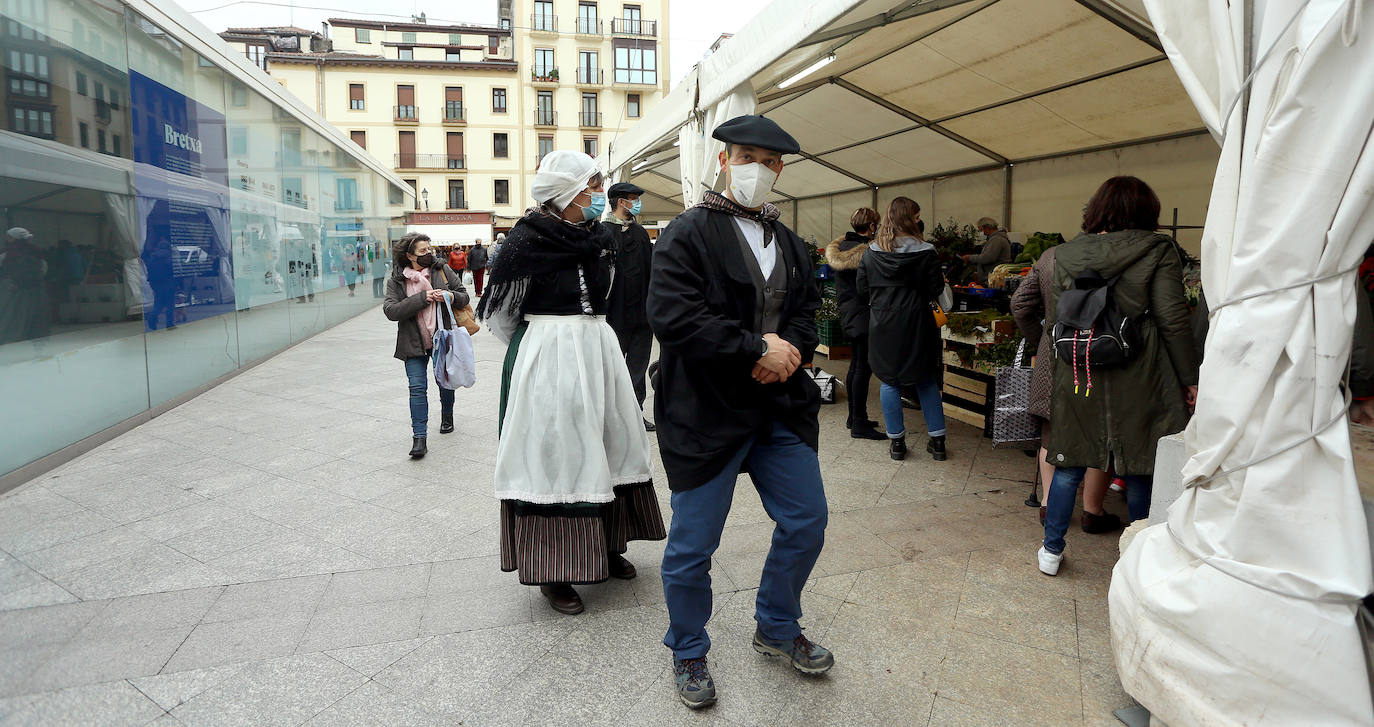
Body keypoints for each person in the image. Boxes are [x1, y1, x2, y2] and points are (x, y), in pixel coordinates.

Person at [649, 115, 834, 711]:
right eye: (746, 155)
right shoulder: (688, 232)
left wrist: (793, 350)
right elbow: (673, 316)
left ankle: (777, 626)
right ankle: (687, 648)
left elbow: (807, 308)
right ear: (724, 160)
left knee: (807, 520)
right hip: (705, 410)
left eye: (770, 160)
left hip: (778, 406)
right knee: (692, 545)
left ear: (780, 170)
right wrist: (755, 348)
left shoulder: (790, 241)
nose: (758, 167)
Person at [476, 150, 665, 617]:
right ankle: (553, 568)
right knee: (556, 450)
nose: (600, 194)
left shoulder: (600, 238)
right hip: (549, 349)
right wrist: (543, 346)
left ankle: (607, 543)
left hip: (597, 347)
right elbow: (500, 315)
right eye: (593, 187)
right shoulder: (525, 242)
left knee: (608, 439)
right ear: (566, 194)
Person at [1037, 176, 1198, 576]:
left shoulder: (1065, 253)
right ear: (1147, 212)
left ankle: (1051, 552)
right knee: (1141, 463)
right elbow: (1173, 319)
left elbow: (1057, 320)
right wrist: (1189, 377)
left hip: (1079, 371)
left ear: (1096, 210)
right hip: (1141, 372)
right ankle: (1140, 556)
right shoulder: (1157, 250)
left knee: (1069, 460)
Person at [1011, 245, 1120, 533]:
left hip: (1055, 354)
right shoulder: (1119, 256)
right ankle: (1092, 510)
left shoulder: (1051, 256)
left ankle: (1049, 503)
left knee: (1052, 427)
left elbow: (1019, 304)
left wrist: (1044, 339)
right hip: (1102, 353)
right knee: (1100, 433)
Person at [858, 198, 949, 461]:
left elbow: (862, 289)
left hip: (884, 323)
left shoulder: (872, 252)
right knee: (925, 379)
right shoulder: (927, 251)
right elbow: (936, 289)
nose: (920, 220)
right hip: (920, 321)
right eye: (918, 215)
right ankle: (938, 442)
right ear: (911, 218)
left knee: (889, 380)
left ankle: (897, 443)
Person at [382, 232, 469, 459]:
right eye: (422, 251)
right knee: (417, 388)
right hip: (413, 341)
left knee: (444, 382)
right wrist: (423, 298)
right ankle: (419, 438)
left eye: (429, 250)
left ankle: (447, 415)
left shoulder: (442, 270)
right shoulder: (397, 280)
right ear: (409, 256)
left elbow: (463, 296)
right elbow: (391, 311)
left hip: (442, 338)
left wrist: (449, 296)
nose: (428, 254)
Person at [826, 208, 885, 440]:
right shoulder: (867, 253)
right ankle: (859, 423)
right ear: (871, 226)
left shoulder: (841, 248)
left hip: (848, 313)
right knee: (863, 368)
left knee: (855, 366)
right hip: (863, 313)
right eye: (876, 225)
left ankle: (854, 417)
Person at [604, 181, 656, 431]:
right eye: (633, 198)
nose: (636, 203)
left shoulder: (641, 233)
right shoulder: (603, 232)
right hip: (614, 317)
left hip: (642, 316)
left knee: (638, 368)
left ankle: (636, 414)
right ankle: (611, 417)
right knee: (612, 369)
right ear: (620, 201)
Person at [0, 227, 52, 344]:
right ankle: (37, 342)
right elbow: (44, 270)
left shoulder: (7, 253)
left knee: (9, 315)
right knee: (36, 317)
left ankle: (10, 339)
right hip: (36, 291)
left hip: (12, 289)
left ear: (12, 238)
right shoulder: (37, 252)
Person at [961, 216, 1012, 284]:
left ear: (986, 227)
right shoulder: (995, 238)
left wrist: (969, 257)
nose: (982, 233)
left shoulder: (997, 239)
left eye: (981, 230)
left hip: (994, 278)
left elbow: (988, 258)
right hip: (991, 276)